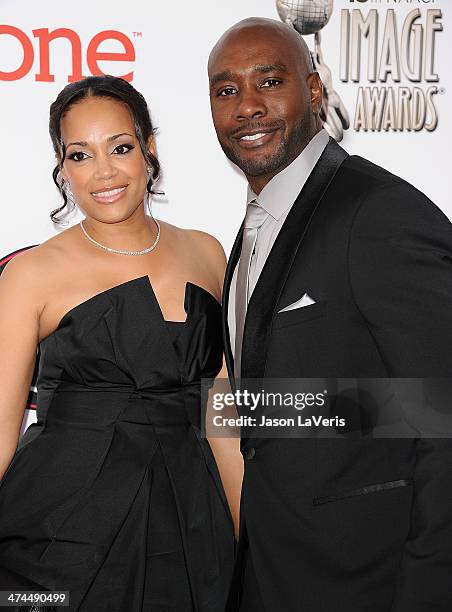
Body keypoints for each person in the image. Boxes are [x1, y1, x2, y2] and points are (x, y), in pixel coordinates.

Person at [208, 17, 452, 612]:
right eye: (225, 90)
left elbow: (442, 413)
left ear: (315, 90)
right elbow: (311, 404)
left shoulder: (378, 212)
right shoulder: (250, 230)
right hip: (275, 570)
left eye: (269, 81)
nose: (247, 106)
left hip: (370, 580)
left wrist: (426, 592)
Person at [0, 75, 243, 611]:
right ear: (62, 167)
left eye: (121, 148)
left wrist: (253, 537)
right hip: (66, 530)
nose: (103, 173)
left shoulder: (207, 254)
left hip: (191, 521)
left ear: (149, 150)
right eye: (80, 155)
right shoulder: (31, 274)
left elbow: (222, 411)